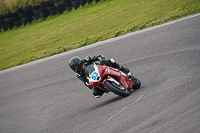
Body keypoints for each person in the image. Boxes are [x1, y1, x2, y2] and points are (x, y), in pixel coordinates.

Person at [68, 55, 134, 98]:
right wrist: (91, 86)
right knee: (96, 93)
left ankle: (123, 69)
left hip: (100, 69)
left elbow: (99, 56)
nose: (76, 68)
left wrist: (102, 60)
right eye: (74, 68)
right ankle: (109, 88)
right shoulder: (79, 74)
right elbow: (86, 82)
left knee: (111, 61)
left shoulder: (86, 60)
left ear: (79, 63)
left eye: (76, 66)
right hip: (95, 79)